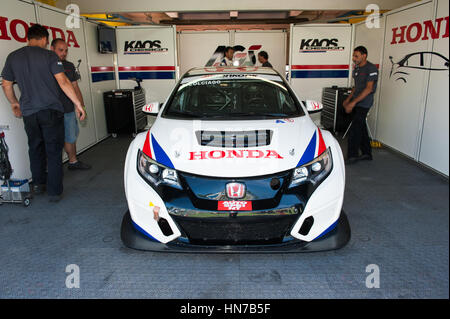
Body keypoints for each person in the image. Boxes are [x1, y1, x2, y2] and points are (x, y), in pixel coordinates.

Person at [1, 24, 85, 202]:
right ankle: (54, 192)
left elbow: (6, 84)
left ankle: (39, 184)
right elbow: (62, 81)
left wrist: (14, 103)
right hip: (50, 111)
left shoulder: (13, 57)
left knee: (35, 147)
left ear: (28, 38)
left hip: (29, 113)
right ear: (45, 40)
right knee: (53, 151)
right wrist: (78, 104)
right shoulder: (49, 56)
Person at [51, 38, 91, 170]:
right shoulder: (46, 65)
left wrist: (81, 106)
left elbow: (75, 87)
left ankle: (73, 162)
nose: (64, 53)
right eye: (60, 50)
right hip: (52, 110)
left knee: (71, 135)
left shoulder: (69, 66)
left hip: (68, 108)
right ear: (52, 49)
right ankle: (53, 169)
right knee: (54, 140)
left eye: (66, 50)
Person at [343, 46, 378, 165]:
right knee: (361, 127)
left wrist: (353, 103)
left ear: (364, 56)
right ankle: (367, 153)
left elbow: (368, 89)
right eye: (353, 56)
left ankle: (352, 156)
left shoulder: (371, 68)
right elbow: (356, 87)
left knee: (355, 129)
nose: (354, 58)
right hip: (356, 102)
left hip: (365, 103)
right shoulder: (357, 69)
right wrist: (348, 100)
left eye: (356, 56)